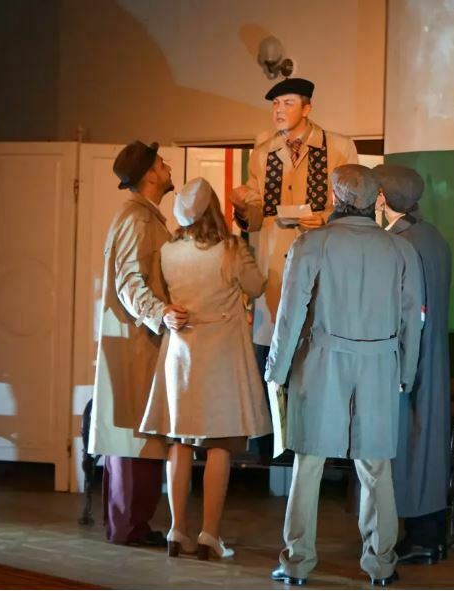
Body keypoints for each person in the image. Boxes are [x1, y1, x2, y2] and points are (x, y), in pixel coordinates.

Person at [265, 164, 424, 587]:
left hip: (322, 361)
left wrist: (276, 369)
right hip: (380, 365)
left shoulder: (311, 244)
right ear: (376, 200)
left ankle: (297, 563)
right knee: (376, 467)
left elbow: (290, 314)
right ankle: (381, 565)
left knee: (308, 464)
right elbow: (413, 320)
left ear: (336, 198)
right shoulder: (401, 250)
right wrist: (407, 371)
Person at [139, 178, 272, 559]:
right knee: (219, 444)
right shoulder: (230, 249)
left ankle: (177, 529)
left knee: (180, 442)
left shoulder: (168, 251)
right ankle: (210, 533)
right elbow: (256, 286)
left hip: (181, 352)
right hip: (222, 354)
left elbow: (162, 296)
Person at [228, 78, 359, 457]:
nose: (279, 110)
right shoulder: (263, 153)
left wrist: (328, 217)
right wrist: (242, 206)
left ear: (307, 107)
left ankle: (322, 440)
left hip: (320, 261)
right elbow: (255, 218)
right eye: (275, 104)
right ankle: (274, 444)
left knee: (315, 350)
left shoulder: (338, 146)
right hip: (276, 268)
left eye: (287, 103)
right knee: (274, 352)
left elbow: (354, 202)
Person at [89, 140, 187, 546]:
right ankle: (129, 526)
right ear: (150, 174)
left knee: (138, 431)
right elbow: (129, 280)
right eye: (162, 163)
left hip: (141, 338)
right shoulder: (135, 219)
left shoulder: (145, 217)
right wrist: (159, 312)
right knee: (133, 433)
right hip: (136, 339)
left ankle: (132, 524)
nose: (167, 168)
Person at [375, 164, 453, 565]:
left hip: (408, 359)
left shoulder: (400, 242)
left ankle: (420, 537)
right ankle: (429, 535)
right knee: (426, 446)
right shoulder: (433, 237)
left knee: (411, 447)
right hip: (431, 354)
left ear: (383, 197)